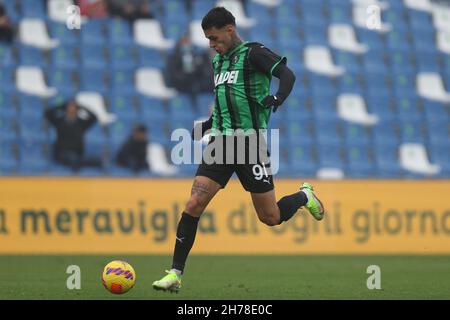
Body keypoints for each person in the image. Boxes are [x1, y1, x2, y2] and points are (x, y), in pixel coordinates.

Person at [152, 7, 325, 292]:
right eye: (208, 39)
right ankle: (175, 274)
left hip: (250, 145)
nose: (211, 44)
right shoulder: (218, 62)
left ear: (230, 29)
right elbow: (226, 100)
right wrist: (208, 125)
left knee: (270, 217)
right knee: (194, 204)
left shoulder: (254, 53)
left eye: (214, 38)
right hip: (220, 144)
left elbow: (287, 74)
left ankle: (305, 195)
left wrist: (277, 97)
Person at [44, 99, 102, 172]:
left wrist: (81, 107)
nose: (72, 110)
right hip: (62, 154)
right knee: (72, 159)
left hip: (78, 154)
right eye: (70, 107)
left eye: (74, 108)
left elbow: (94, 117)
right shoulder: (60, 122)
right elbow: (47, 113)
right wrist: (62, 106)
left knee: (97, 161)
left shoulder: (81, 123)